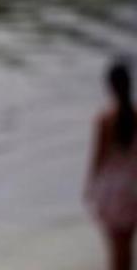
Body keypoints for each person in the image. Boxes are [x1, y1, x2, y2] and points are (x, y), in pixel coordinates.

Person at [87, 59, 137, 270]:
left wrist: (90, 189)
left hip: (112, 191)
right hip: (133, 187)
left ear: (110, 87)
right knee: (128, 247)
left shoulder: (105, 121)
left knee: (115, 251)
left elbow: (97, 160)